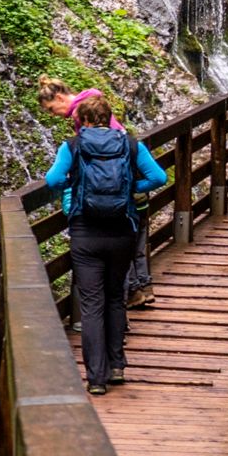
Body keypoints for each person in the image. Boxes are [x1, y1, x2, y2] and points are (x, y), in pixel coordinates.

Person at [44, 91, 168, 395]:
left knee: (91, 305)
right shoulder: (129, 144)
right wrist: (129, 189)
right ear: (109, 118)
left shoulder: (73, 146)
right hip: (121, 233)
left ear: (82, 120)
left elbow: (52, 180)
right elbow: (159, 177)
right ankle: (116, 367)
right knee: (115, 298)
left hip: (86, 234)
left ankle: (96, 379)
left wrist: (77, 186)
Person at [38, 77, 153, 304]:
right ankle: (141, 288)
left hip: (113, 189)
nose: (53, 114)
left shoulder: (83, 114)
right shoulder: (93, 103)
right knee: (132, 237)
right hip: (126, 183)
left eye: (52, 109)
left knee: (117, 236)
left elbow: (98, 156)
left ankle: (130, 292)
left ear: (60, 97)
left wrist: (77, 186)